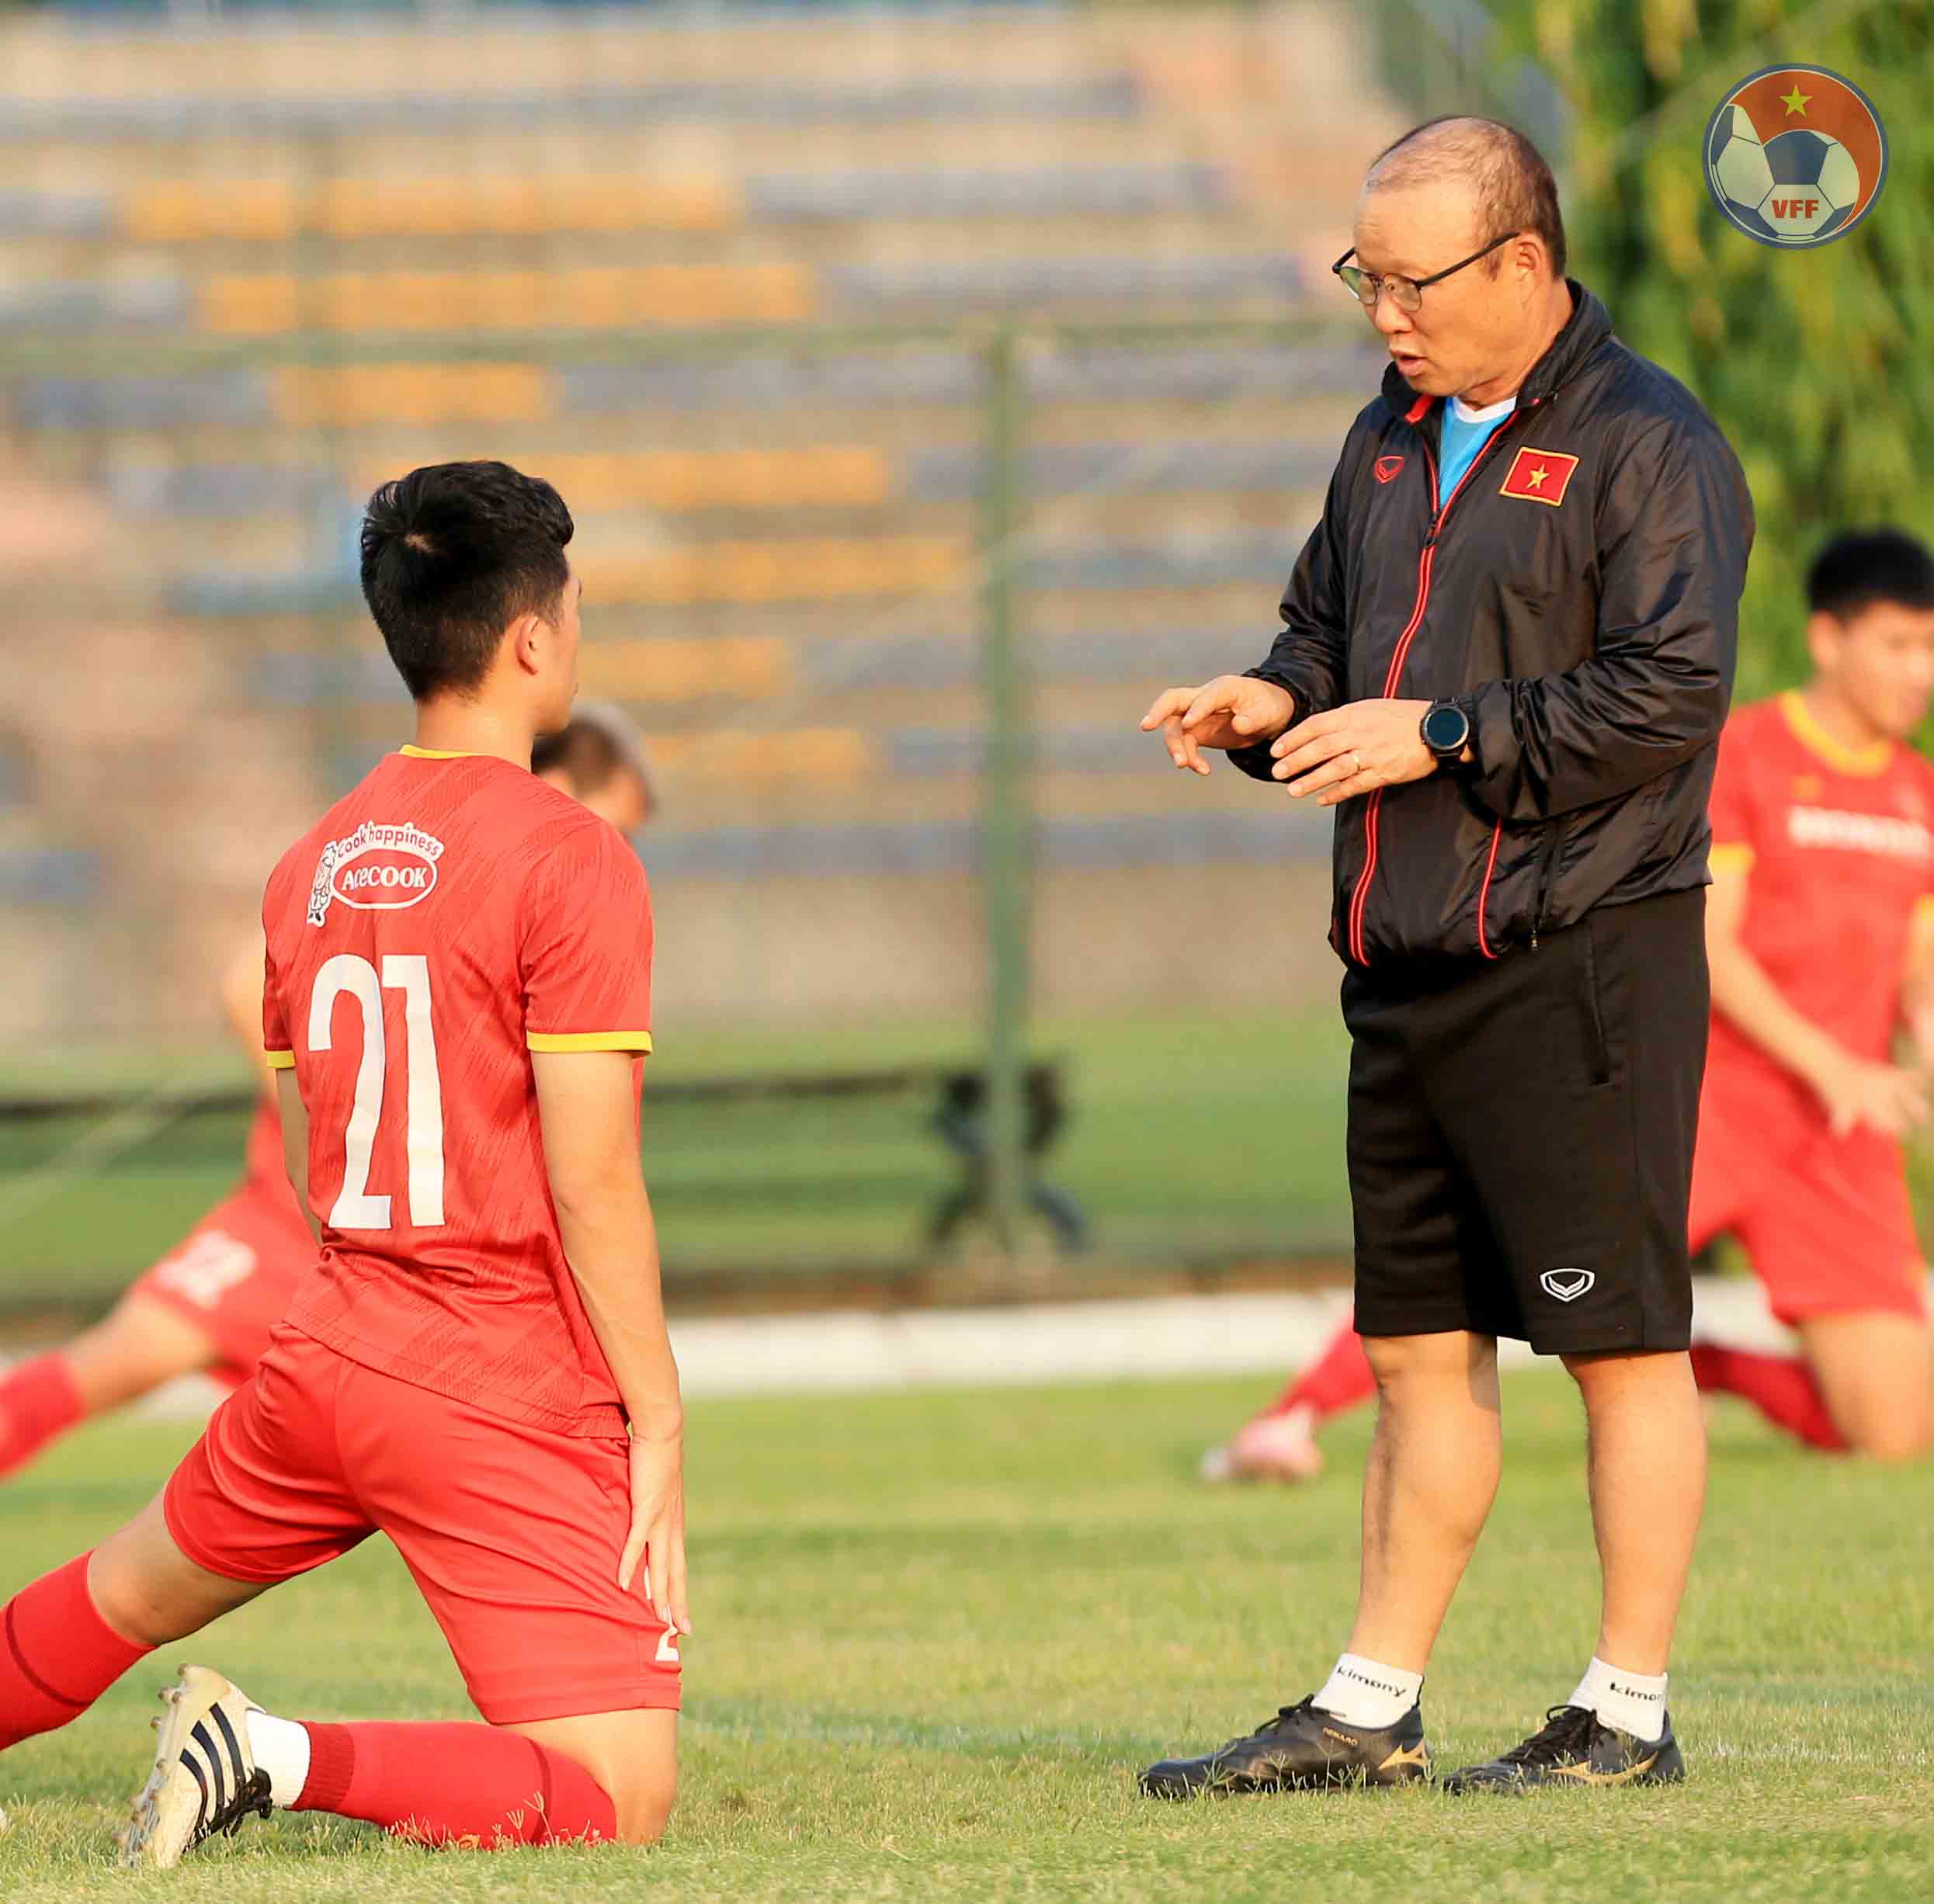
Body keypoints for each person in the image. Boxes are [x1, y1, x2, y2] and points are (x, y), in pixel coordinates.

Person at [1137, 116, 1752, 1795]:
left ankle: (1624, 1710)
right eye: (1364, 276)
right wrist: (1267, 697)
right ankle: (1369, 1701)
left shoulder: (1650, 445)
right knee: (1415, 1351)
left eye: (1407, 279)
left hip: (1584, 957)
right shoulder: (1387, 434)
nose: (1382, 311)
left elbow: (1670, 692)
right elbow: (1330, 633)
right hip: (1400, 962)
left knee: (1619, 1345)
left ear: (1524, 266)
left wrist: (1449, 730)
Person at [0, 461, 688, 1862]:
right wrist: (657, 1415)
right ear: (534, 635)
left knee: (110, 1598)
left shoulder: (307, 863)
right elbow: (593, 1179)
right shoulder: (575, 857)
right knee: (614, 1792)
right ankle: (265, 1751)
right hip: (486, 1373)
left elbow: (315, 1144)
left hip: (320, 1351)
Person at [1200, 529, 1934, 1479]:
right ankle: (1286, 1419)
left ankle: (1709, 1367)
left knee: (1895, 1429)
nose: (1918, 672)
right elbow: (1717, 941)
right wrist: (1830, 1059)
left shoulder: (1916, 792)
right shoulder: (1746, 753)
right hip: (1713, 1095)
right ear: (1830, 640)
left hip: (1835, 1129)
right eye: (1898, 644)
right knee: (1500, 1253)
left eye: (1929, 649)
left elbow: (1916, 958)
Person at [0, 712, 656, 1483]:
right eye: (612, 822)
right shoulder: (449, 855)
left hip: (423, 1246)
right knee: (111, 1366)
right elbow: (251, 988)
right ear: (557, 785)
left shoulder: (538, 897)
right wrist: (327, 1132)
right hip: (314, 1221)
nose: (618, 850)